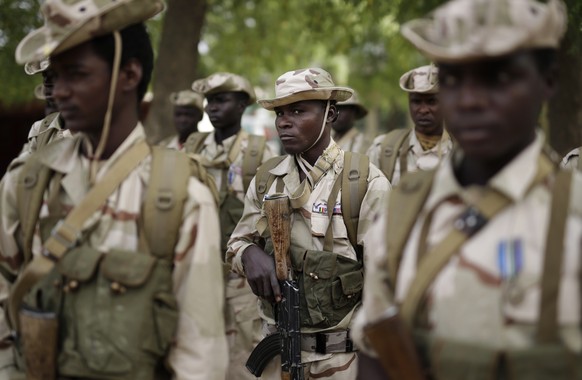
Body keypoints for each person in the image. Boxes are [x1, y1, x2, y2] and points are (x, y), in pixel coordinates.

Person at [353, 0, 581, 379]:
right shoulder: (401, 213)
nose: (470, 99)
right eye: (453, 79)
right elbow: (376, 355)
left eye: (499, 77)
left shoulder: (572, 214)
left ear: (549, 81)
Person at [0, 0, 227, 379]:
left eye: (77, 74)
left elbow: (198, 356)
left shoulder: (180, 196)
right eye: (54, 77)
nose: (60, 92)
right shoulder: (25, 182)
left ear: (129, 74)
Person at [226, 67, 389, 379]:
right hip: (276, 357)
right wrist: (248, 254)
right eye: (281, 113)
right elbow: (237, 242)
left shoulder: (365, 183)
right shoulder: (266, 180)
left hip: (342, 362)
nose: (285, 121)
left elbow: (388, 284)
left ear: (331, 114)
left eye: (298, 111)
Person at [183, 72, 275, 380]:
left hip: (241, 279)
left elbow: (275, 215)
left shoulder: (260, 153)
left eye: (221, 100)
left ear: (242, 105)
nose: (212, 108)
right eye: (209, 101)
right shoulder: (191, 148)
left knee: (244, 358)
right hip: (197, 269)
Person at [366, 64, 452, 186]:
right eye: (416, 101)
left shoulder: (461, 152)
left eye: (431, 101)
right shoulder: (382, 150)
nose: (423, 110)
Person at [14, 59, 70, 163]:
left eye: (54, 75)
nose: (47, 82)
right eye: (44, 75)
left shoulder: (97, 130)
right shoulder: (40, 130)